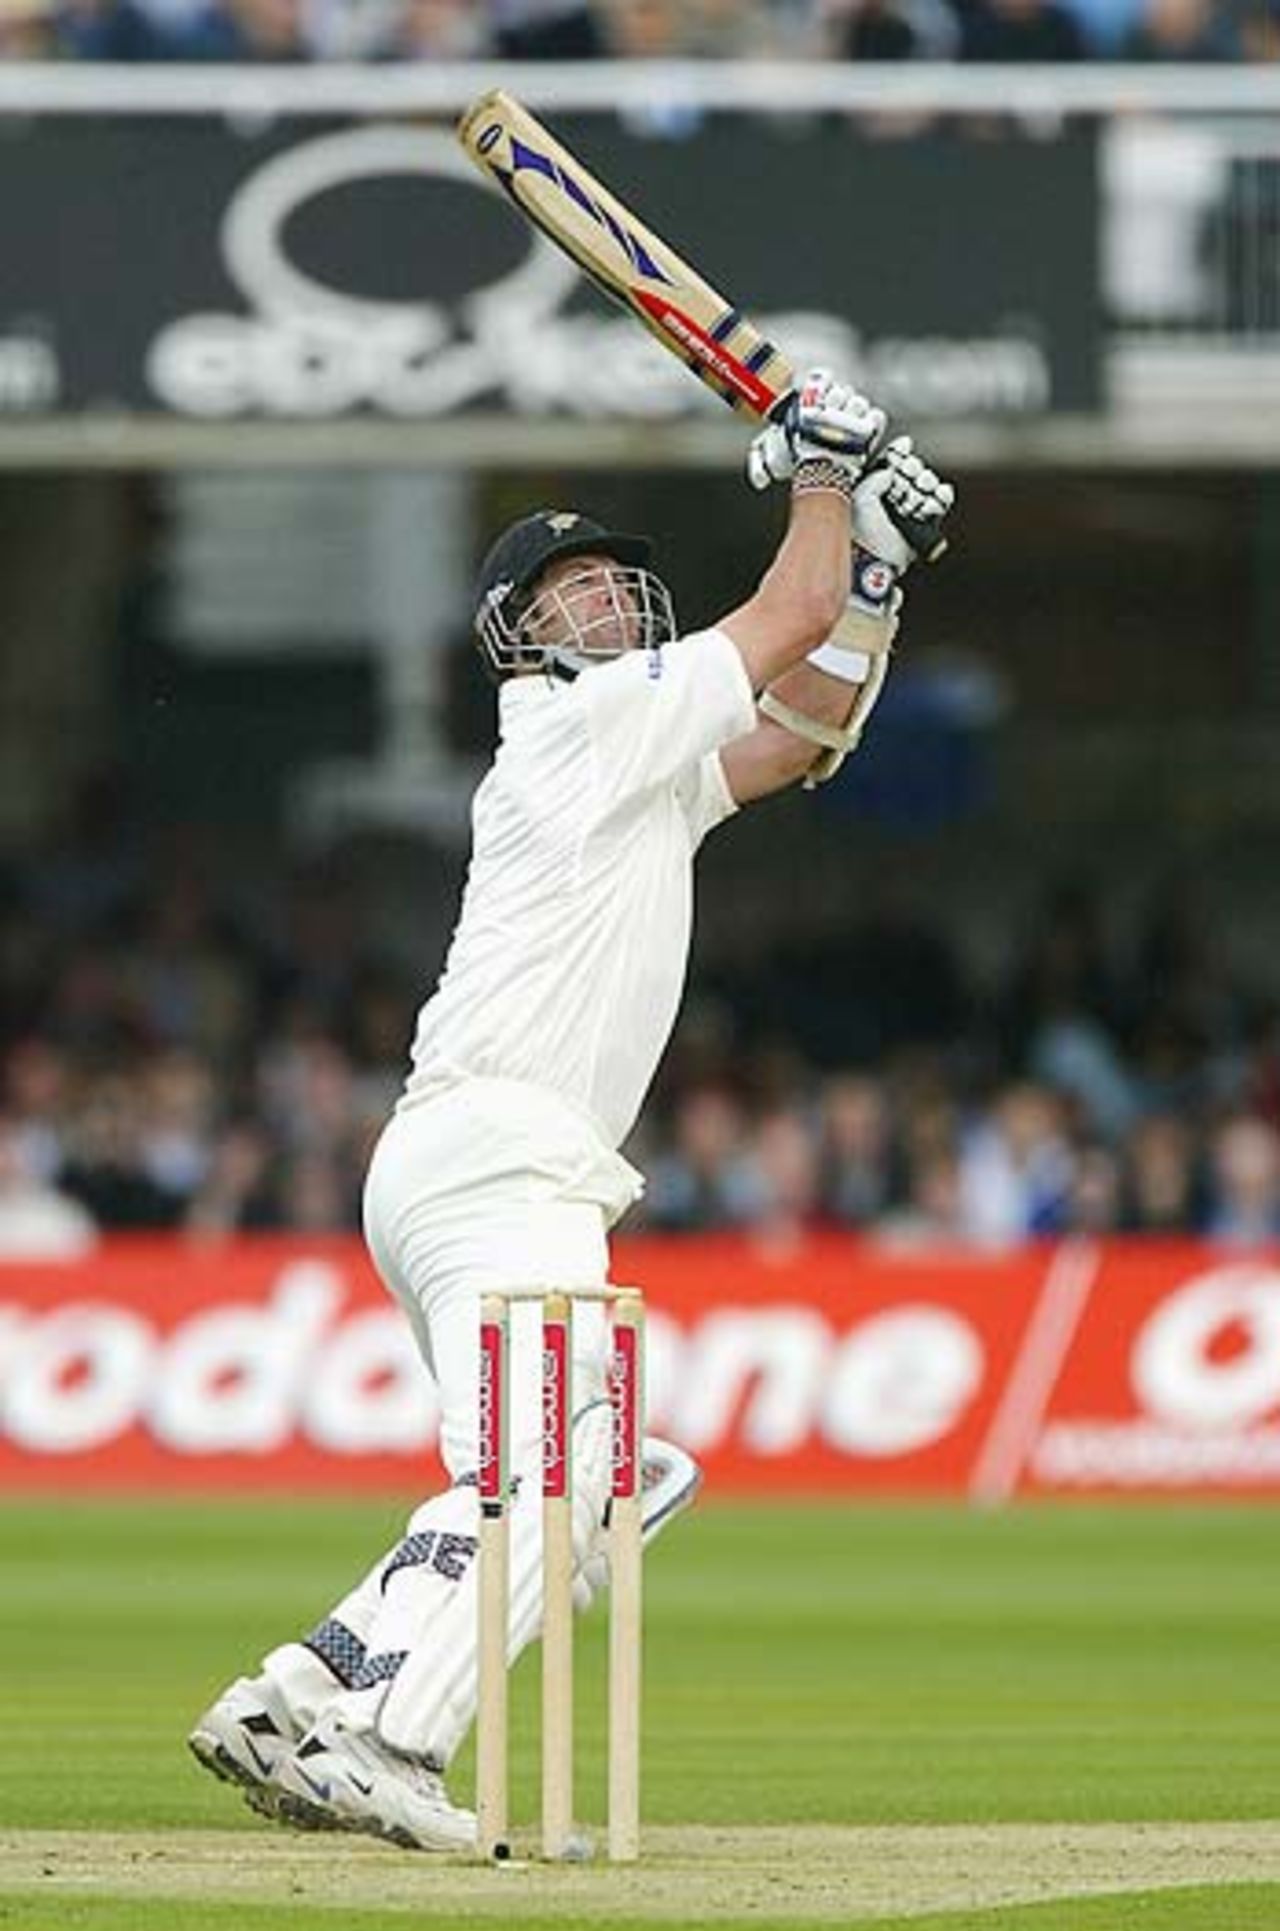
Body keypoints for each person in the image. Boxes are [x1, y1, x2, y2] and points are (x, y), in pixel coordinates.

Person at [188, 369, 956, 1852]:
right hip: (502, 1158)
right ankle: (392, 1740)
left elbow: (804, 731)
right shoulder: (574, 727)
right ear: (515, 635)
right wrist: (821, 475)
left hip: (475, 1162)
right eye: (569, 588)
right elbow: (778, 629)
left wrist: (874, 564)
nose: (603, 599)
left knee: (588, 1474)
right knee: (551, 1472)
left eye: (613, 579)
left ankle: (300, 1692)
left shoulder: (641, 772)